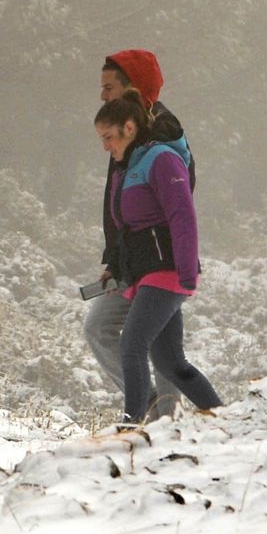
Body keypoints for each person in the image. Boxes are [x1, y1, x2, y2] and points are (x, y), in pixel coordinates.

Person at [94, 90, 222, 423]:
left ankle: (132, 424)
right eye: (101, 139)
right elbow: (128, 228)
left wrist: (186, 273)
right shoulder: (129, 166)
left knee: (131, 345)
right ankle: (225, 418)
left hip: (167, 271)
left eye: (108, 137)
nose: (105, 146)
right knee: (171, 363)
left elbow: (183, 215)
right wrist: (117, 267)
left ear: (129, 127)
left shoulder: (162, 159)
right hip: (144, 274)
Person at [83, 50, 186, 419]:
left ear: (133, 88)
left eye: (108, 87)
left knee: (160, 343)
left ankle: (166, 418)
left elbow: (177, 205)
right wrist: (115, 260)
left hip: (160, 262)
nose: (102, 95)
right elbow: (118, 206)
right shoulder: (125, 130)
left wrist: (172, 262)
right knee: (100, 328)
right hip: (132, 261)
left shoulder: (162, 135)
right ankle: (154, 407)